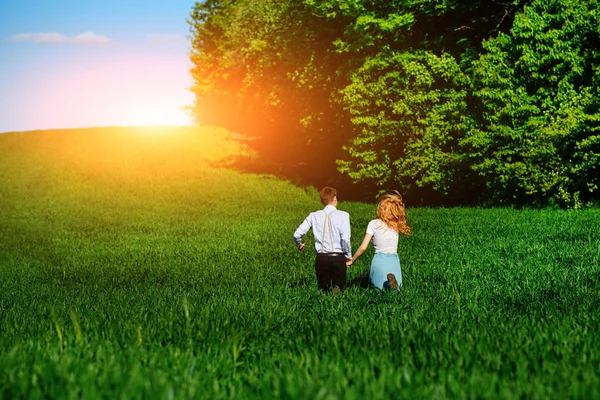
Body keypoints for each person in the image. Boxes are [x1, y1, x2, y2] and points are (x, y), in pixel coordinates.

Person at [346, 191, 411, 291]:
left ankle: (386, 284)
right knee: (396, 292)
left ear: (381, 209)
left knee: (378, 290)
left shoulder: (373, 224)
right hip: (393, 260)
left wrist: (352, 260)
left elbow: (363, 247)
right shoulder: (395, 225)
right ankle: (392, 282)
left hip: (380, 260)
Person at [293, 187, 352, 294]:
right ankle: (336, 292)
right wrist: (348, 256)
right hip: (338, 257)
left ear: (322, 200)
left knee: (322, 290)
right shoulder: (344, 215)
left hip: (321, 258)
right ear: (334, 198)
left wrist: (299, 243)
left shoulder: (314, 216)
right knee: (340, 288)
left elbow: (297, 234)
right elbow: (345, 239)